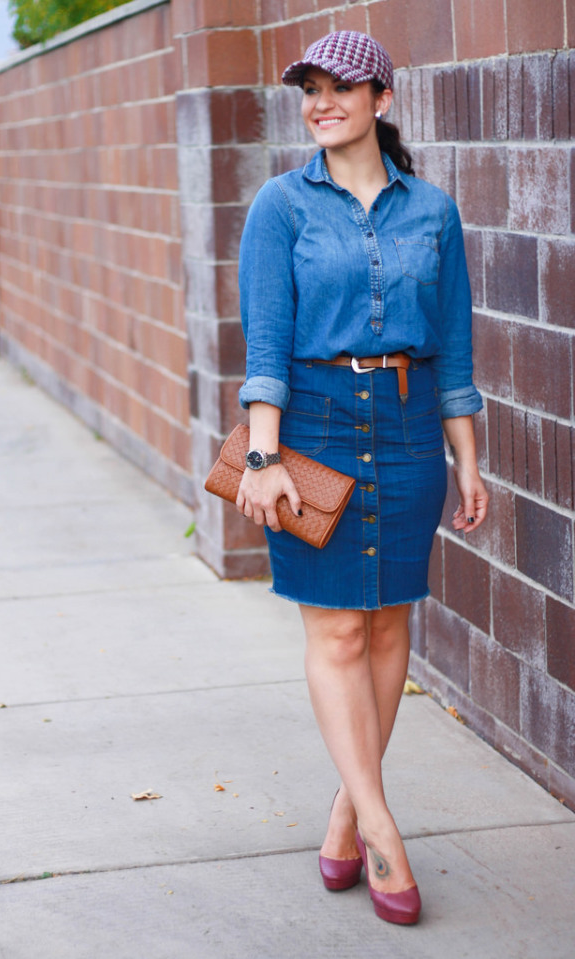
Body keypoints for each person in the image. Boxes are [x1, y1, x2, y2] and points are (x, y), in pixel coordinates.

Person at [235, 31, 488, 926]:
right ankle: (383, 827)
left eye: (342, 86)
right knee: (339, 630)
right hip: (313, 425)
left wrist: (467, 460)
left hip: (415, 428)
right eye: (311, 88)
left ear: (383, 97)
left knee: (388, 629)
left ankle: (345, 809)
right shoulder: (280, 206)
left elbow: (454, 350)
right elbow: (265, 346)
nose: (321, 101)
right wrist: (262, 456)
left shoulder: (435, 212)